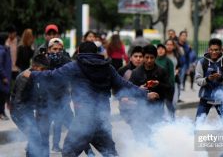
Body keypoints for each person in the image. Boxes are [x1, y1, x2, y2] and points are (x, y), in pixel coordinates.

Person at [24, 41, 159, 157]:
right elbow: (124, 85)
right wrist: (144, 94)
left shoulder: (75, 66)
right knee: (110, 153)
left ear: (79, 51)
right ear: (96, 52)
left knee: (68, 152)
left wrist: (32, 74)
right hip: (102, 118)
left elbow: (52, 77)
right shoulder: (108, 67)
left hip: (84, 120)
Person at [10, 54, 49, 157]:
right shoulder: (25, 77)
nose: (44, 72)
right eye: (42, 69)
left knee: (35, 138)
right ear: (35, 66)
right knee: (34, 137)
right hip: (19, 113)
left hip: (27, 112)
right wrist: (25, 122)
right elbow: (17, 102)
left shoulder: (34, 75)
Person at [129, 44, 171, 139]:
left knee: (156, 138)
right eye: (146, 57)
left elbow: (169, 88)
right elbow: (130, 91)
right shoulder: (136, 72)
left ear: (155, 58)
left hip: (157, 111)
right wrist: (141, 90)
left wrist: (158, 84)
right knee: (141, 139)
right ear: (143, 57)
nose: (149, 60)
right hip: (140, 112)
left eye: (151, 58)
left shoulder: (161, 71)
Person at [195, 38, 223, 120]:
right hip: (205, 97)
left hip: (221, 98)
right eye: (211, 50)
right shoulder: (201, 62)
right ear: (208, 49)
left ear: (220, 50)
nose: (213, 52)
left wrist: (220, 79)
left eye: (216, 50)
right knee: (198, 123)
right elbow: (198, 80)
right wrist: (207, 79)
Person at [156, 44, 175, 119]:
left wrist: (171, 85)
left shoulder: (168, 61)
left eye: (162, 49)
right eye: (158, 49)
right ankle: (161, 120)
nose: (160, 50)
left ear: (165, 50)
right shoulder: (154, 60)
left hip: (168, 87)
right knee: (159, 105)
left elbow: (171, 75)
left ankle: (172, 119)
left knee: (168, 104)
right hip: (158, 86)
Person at [0, 33, 11, 120]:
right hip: (2, 79)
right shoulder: (2, 51)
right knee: (2, 97)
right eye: (8, 40)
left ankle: (2, 112)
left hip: (5, 77)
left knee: (3, 96)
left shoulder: (5, 50)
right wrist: (4, 76)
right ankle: (1, 113)